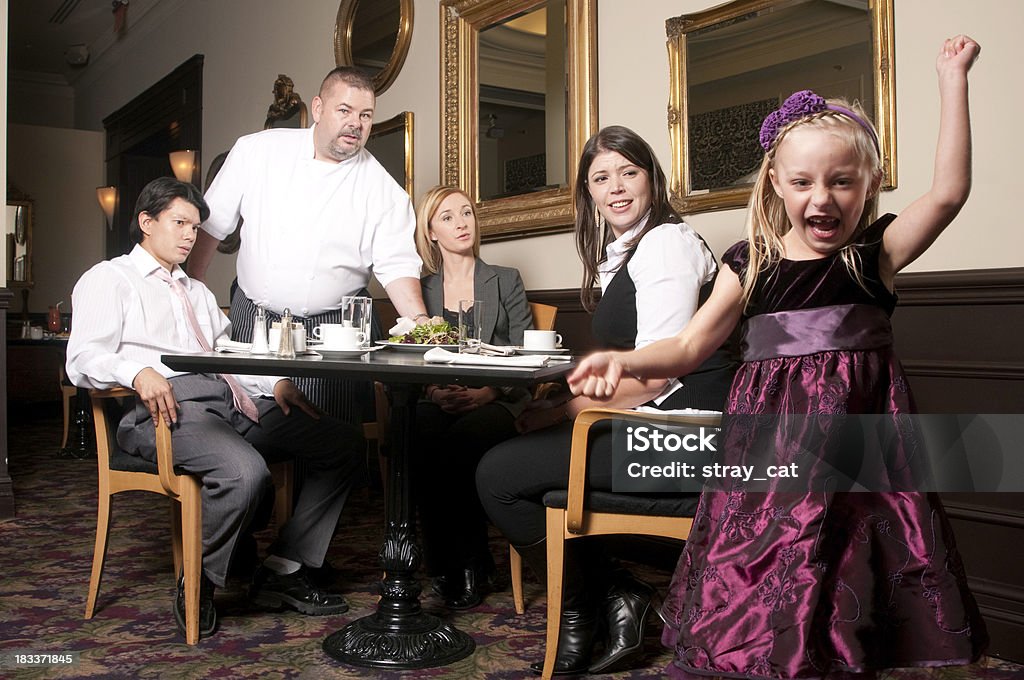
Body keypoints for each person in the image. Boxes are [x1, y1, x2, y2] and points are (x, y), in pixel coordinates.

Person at [568, 36, 986, 679]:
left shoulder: (873, 258)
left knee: (847, 585)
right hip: (769, 458)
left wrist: (951, 79)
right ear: (776, 183)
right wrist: (625, 363)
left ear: (867, 183)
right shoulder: (750, 263)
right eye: (803, 182)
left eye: (842, 181)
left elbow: (950, 193)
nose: (823, 198)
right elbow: (687, 346)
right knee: (767, 583)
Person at [476, 125, 737, 675]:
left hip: (687, 440)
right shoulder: (629, 251)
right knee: (525, 465)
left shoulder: (666, 244)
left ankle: (595, 603)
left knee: (499, 474)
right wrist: (561, 396)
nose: (616, 187)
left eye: (628, 172)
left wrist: (558, 410)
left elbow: (656, 376)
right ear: (588, 193)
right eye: (601, 178)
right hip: (661, 426)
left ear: (651, 179)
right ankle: (616, 596)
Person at [66, 178, 365, 641]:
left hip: (229, 403)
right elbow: (82, 359)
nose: (191, 235)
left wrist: (276, 383)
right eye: (180, 223)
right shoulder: (109, 279)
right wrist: (136, 373)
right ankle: (199, 579)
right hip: (164, 409)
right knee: (246, 474)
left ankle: (285, 565)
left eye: (195, 226)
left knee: (341, 441)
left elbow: (226, 353)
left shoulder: (198, 292)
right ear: (146, 223)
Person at [186, 66, 429, 424]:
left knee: (334, 432)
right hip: (255, 316)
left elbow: (398, 267)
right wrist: (190, 292)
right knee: (253, 426)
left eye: (365, 115)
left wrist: (421, 324)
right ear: (317, 109)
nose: (355, 124)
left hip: (335, 329)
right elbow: (212, 227)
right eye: (344, 110)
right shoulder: (257, 151)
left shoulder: (384, 191)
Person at [411, 185, 534, 610]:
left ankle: (470, 564)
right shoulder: (419, 289)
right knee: (421, 431)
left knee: (463, 440)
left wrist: (488, 392)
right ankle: (442, 565)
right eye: (447, 217)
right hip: (440, 398)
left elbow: (527, 352)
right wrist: (433, 389)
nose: (461, 223)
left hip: (498, 399)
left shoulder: (506, 279)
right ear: (430, 232)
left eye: (466, 213)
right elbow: (410, 352)